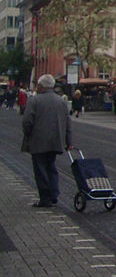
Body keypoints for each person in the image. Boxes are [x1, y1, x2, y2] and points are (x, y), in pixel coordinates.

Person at [21, 74, 72, 207]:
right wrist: (69, 141)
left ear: (41, 86)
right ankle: (54, 195)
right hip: (56, 141)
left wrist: (28, 133)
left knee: (40, 169)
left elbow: (27, 121)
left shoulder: (35, 100)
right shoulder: (61, 101)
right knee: (51, 167)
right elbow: (68, 123)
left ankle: (45, 198)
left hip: (38, 141)